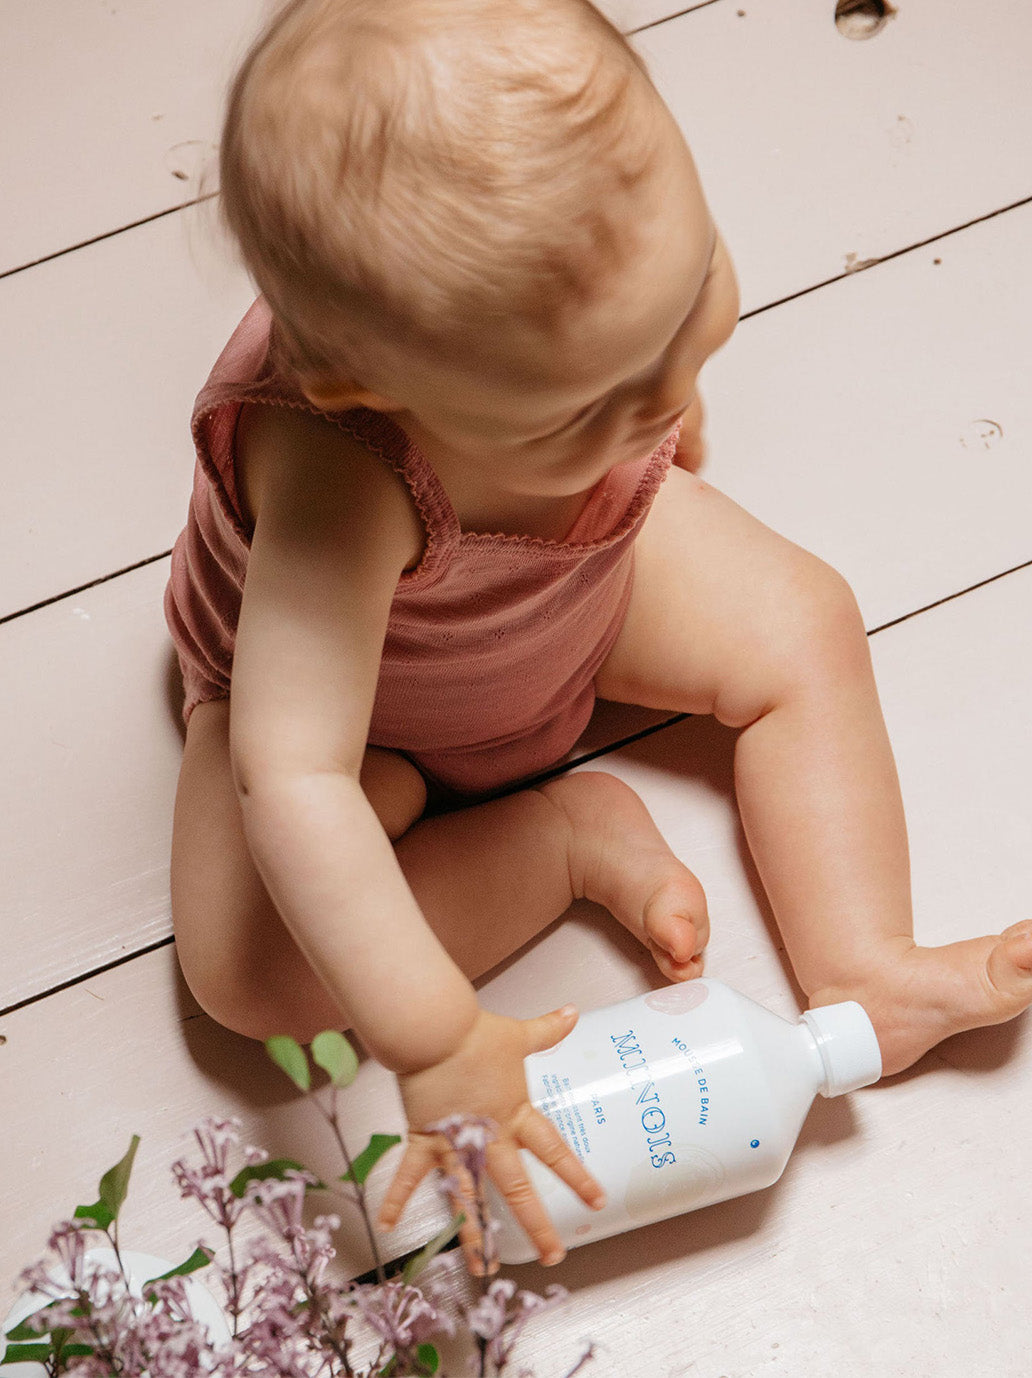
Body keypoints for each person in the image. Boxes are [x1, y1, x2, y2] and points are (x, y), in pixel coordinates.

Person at [165, 0, 1032, 1270]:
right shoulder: (335, 472)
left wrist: (636, 396)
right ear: (376, 384)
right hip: (374, 720)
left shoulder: (593, 321)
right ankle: (561, 837)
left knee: (806, 620)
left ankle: (864, 964)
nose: (672, 388)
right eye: (591, 398)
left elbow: (631, 346)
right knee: (245, 972)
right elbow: (293, 778)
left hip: (577, 589)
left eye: (689, 303)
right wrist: (434, 1035)